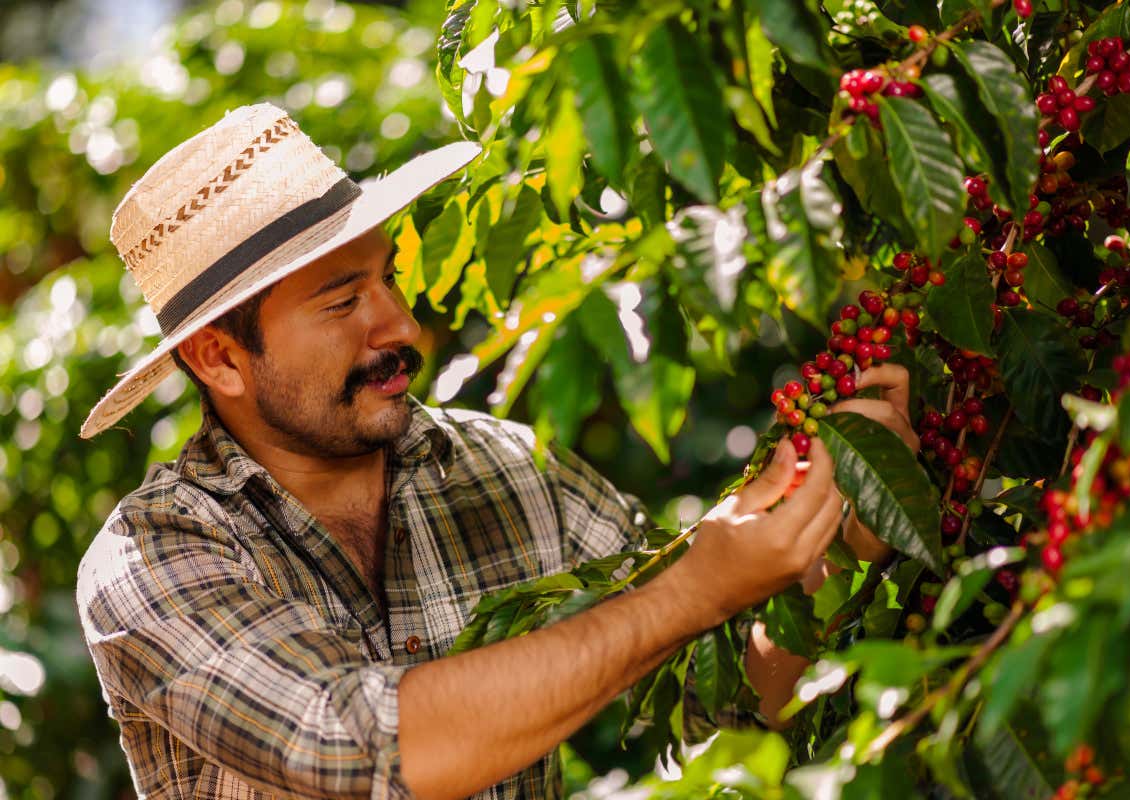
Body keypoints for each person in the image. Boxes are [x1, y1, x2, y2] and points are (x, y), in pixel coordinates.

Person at [75, 104, 918, 800]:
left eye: (387, 281)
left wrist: (835, 546)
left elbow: (713, 695)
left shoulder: (509, 469)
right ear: (218, 357)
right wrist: (697, 586)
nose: (401, 328)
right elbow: (358, 745)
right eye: (341, 304)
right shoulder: (153, 557)